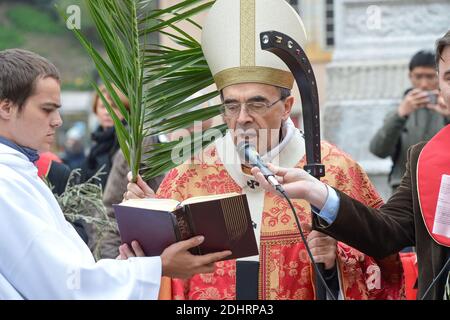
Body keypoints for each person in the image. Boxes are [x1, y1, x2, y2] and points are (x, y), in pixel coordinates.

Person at [125, 0, 404, 300]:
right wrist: (153, 225)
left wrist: (334, 263)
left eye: (256, 103)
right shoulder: (187, 177)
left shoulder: (334, 172)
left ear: (286, 107)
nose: (242, 117)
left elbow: (385, 265)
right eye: (231, 105)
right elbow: (160, 274)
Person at [0, 48, 231, 299]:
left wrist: (132, 258)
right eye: (47, 109)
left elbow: (71, 271)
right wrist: (158, 267)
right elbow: (64, 285)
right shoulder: (6, 183)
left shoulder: (18, 172)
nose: (57, 121)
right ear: (6, 108)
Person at [251, 30, 450, 300]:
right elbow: (384, 233)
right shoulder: (423, 158)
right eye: (449, 77)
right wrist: (317, 193)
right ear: (440, 86)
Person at [370, 50, 450, 194]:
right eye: (418, 77)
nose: (424, 84)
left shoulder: (447, 107)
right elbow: (378, 150)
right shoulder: (399, 110)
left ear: (439, 77)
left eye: (430, 76)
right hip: (404, 189)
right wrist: (400, 115)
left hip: (442, 188)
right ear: (410, 76)